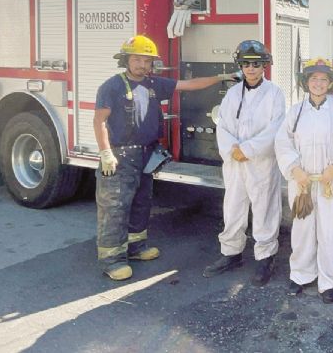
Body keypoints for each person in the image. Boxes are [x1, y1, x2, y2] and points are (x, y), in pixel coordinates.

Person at [94, 35, 234, 281]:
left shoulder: (152, 84)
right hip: (120, 156)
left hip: (146, 153)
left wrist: (221, 78)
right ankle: (112, 259)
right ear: (126, 59)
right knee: (115, 208)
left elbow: (189, 85)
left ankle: (136, 247)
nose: (142, 65)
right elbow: (99, 121)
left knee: (141, 202)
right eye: (137, 59)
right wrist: (106, 152)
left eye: (146, 61)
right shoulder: (112, 86)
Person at [203, 40, 286, 286]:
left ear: (264, 66)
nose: (250, 68)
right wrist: (232, 150)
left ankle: (265, 258)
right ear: (240, 65)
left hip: (261, 162)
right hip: (235, 163)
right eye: (246, 64)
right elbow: (223, 125)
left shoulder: (275, 94)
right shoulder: (232, 93)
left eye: (256, 64)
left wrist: (248, 149)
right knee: (233, 207)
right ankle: (231, 253)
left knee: (265, 208)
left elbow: (276, 128)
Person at [275, 58, 333, 303]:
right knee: (302, 229)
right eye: (314, 79)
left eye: (323, 79)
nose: (318, 83)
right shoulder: (296, 111)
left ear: (330, 83)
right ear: (306, 82)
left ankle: (331, 281)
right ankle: (300, 275)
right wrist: (294, 169)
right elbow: (283, 141)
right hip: (302, 182)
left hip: (332, 182)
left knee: (331, 230)